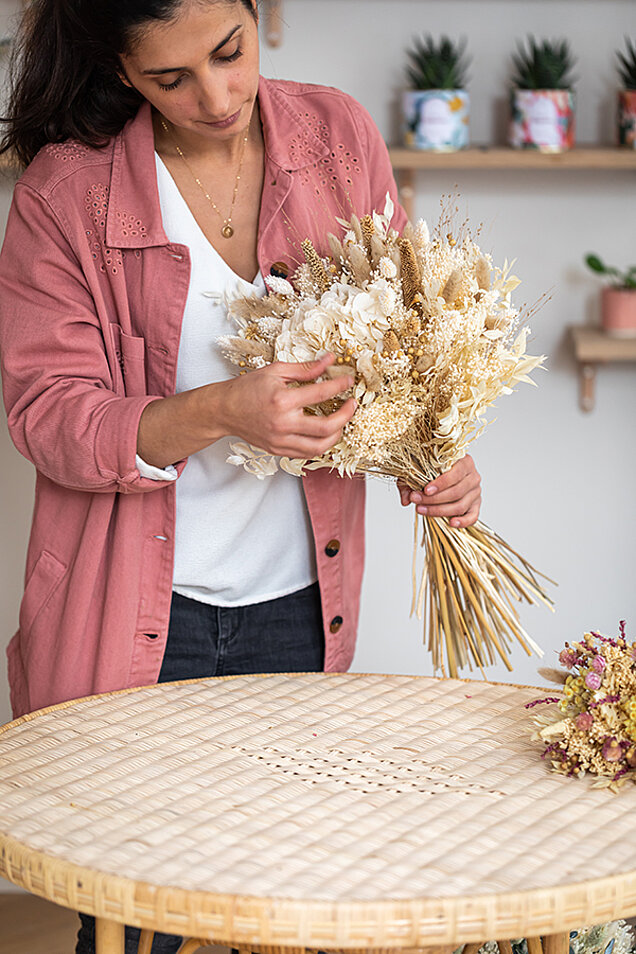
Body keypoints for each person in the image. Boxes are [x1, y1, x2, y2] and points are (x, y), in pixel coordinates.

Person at [0, 1, 482, 949]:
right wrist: (224, 410)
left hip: (299, 605)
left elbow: (403, 337)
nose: (217, 96)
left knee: (291, 891)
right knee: (145, 910)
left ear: (259, 13)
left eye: (230, 52)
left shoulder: (338, 136)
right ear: (122, 72)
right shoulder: (67, 192)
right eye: (170, 79)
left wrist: (437, 446)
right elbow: (46, 417)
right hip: (138, 616)